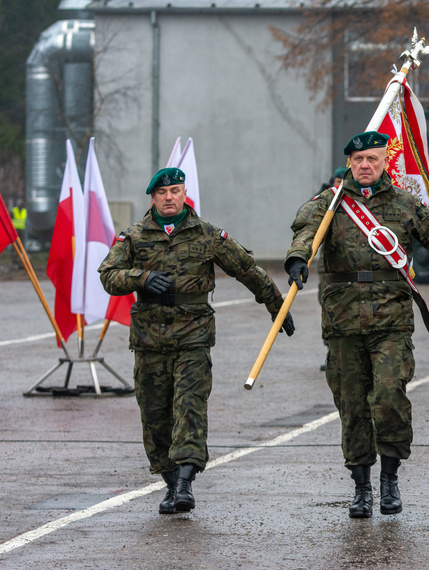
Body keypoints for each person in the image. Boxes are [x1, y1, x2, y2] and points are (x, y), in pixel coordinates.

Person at [99, 167, 294, 514]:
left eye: (175, 190)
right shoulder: (134, 236)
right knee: (155, 416)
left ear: (184, 192)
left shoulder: (207, 234)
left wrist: (276, 305)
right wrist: (140, 278)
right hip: (149, 340)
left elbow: (246, 269)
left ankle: (186, 482)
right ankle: (172, 483)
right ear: (153, 198)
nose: (169, 197)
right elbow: (108, 275)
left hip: (193, 337)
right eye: (162, 193)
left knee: (189, 408)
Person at [284, 131, 429, 519]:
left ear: (384, 163)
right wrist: (297, 259)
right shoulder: (329, 204)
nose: (364, 166)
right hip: (342, 321)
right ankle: (361, 487)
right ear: (349, 163)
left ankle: (390, 478)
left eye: (372, 160)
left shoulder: (405, 205)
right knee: (352, 406)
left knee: (391, 395)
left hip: (390, 320)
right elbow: (305, 232)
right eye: (357, 159)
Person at [295, 166, 349, 371]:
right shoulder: (324, 200)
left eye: (342, 182)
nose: (339, 185)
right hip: (328, 269)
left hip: (349, 269)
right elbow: (306, 221)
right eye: (336, 181)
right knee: (328, 309)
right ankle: (332, 354)